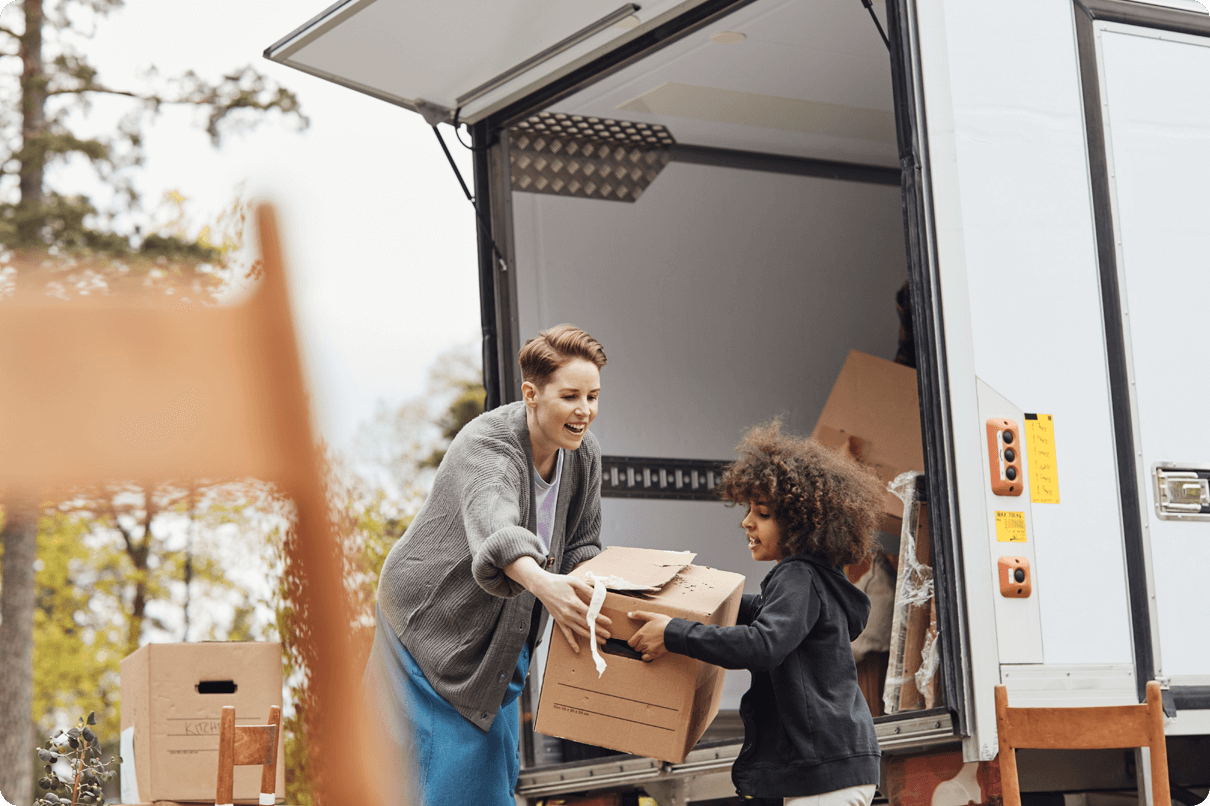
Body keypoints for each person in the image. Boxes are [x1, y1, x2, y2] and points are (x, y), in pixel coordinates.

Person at [362, 324, 613, 806]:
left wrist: (600, 594)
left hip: (502, 627)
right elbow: (498, 531)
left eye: (593, 396)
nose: (584, 410)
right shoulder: (488, 445)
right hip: (432, 622)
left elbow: (583, 543)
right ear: (531, 394)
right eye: (570, 396)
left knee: (490, 766)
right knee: (447, 772)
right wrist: (546, 585)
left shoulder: (584, 454)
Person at [628, 420, 884, 806]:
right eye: (749, 509)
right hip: (833, 767)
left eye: (762, 513)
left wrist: (673, 634)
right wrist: (699, 596)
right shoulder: (816, 579)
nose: (746, 521)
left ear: (801, 523)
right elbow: (758, 612)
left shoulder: (798, 576)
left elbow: (763, 645)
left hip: (823, 775)